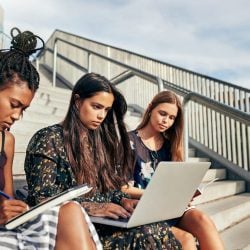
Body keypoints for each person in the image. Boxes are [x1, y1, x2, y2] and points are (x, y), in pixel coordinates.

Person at [24, 72, 184, 249]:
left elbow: (108, 188)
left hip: (101, 223)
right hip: (67, 229)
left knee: (158, 229)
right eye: (96, 107)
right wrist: (92, 207)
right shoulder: (49, 138)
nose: (102, 116)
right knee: (148, 235)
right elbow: (41, 197)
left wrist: (123, 200)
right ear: (77, 102)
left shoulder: (98, 143)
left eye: (106, 110)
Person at [0, 27, 101, 250]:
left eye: (23, 110)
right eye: (14, 105)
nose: (17, 116)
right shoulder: (48, 139)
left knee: (71, 210)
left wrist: (13, 209)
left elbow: (6, 200)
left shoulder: (5, 141)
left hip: (6, 228)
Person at [123, 90, 224, 250]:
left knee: (203, 220)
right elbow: (122, 187)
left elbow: (175, 183)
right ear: (150, 109)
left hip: (170, 207)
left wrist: (183, 194)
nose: (166, 121)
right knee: (186, 239)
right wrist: (156, 195)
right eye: (162, 113)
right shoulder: (128, 141)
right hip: (144, 208)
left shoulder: (171, 145)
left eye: (172, 118)